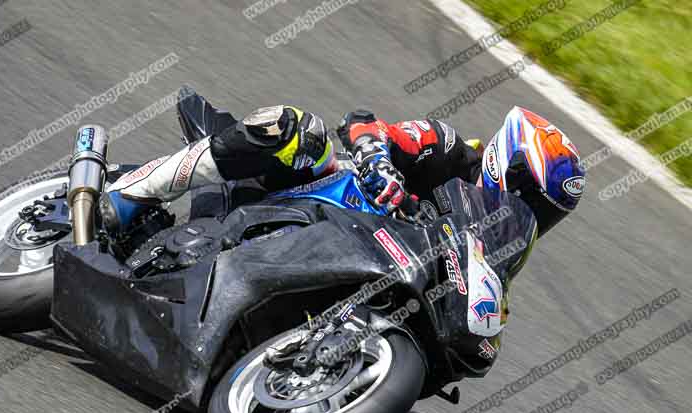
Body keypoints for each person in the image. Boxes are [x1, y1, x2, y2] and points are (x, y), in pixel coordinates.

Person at [100, 103, 585, 240]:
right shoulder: (449, 149)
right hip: (314, 196)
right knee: (297, 129)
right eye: (533, 198)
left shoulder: (500, 247)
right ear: (510, 165)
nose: (533, 215)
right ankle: (129, 195)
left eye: (546, 213)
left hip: (350, 255)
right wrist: (378, 164)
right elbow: (362, 122)